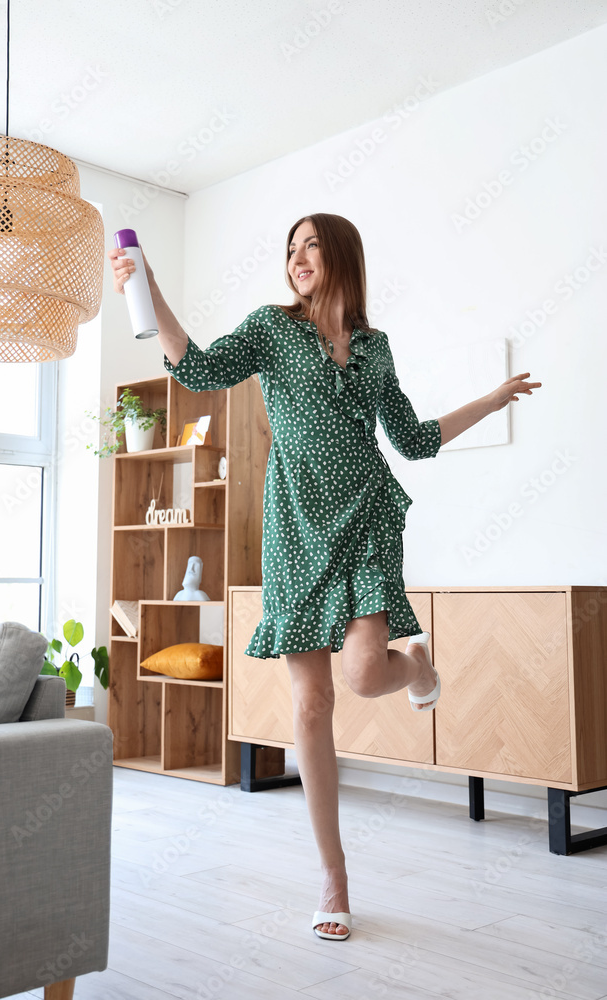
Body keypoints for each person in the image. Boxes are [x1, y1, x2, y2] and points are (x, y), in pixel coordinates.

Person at [108, 213, 541, 942]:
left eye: (310, 244)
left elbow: (413, 440)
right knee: (310, 706)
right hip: (295, 529)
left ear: (339, 255)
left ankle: (411, 663)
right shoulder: (272, 329)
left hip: (366, 516)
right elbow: (197, 366)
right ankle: (333, 877)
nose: (297, 257)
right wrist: (149, 282)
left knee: (365, 675)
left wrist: (491, 400)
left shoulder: (375, 349)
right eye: (289, 248)